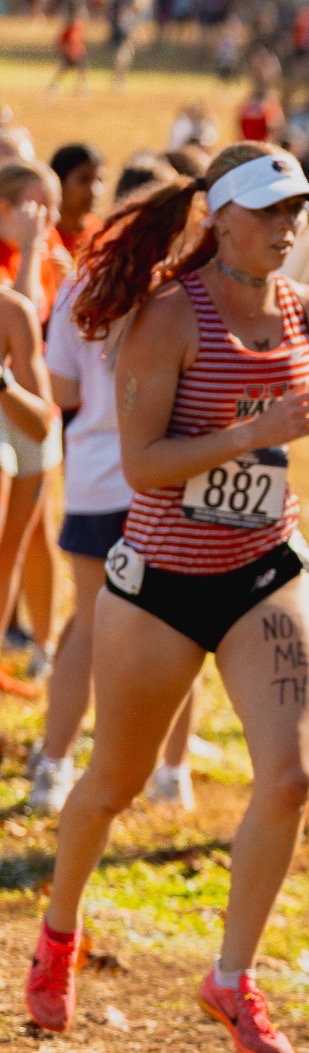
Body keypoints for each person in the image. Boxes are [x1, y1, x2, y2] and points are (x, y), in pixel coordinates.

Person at [21, 143, 309, 1053]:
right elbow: (143, 466)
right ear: (221, 219)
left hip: (264, 569)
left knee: (289, 781)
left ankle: (231, 974)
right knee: (113, 787)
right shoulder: (169, 320)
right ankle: (58, 932)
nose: (292, 228)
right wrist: (252, 431)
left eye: (301, 210)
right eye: (273, 211)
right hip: (161, 582)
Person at [29, 155, 207, 815]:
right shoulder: (188, 289)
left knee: (86, 625)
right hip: (164, 480)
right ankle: (172, 770)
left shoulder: (81, 286)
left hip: (96, 476)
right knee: (180, 627)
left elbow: (66, 391)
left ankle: (53, 764)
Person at [0, 161, 70, 683]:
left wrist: (33, 248)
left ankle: (36, 644)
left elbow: (28, 315)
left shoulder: (45, 250)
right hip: (19, 392)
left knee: (22, 542)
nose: (49, 219)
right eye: (37, 206)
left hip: (28, 393)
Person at [49, 142, 105, 259]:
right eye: (84, 180)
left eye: (100, 180)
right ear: (58, 183)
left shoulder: (102, 235)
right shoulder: (40, 236)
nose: (95, 190)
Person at [49, 11, 87, 96]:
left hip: (79, 53)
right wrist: (64, 52)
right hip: (70, 54)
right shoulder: (69, 30)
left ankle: (80, 88)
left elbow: (81, 41)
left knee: (81, 71)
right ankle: (54, 86)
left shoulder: (79, 28)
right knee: (64, 70)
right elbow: (60, 43)